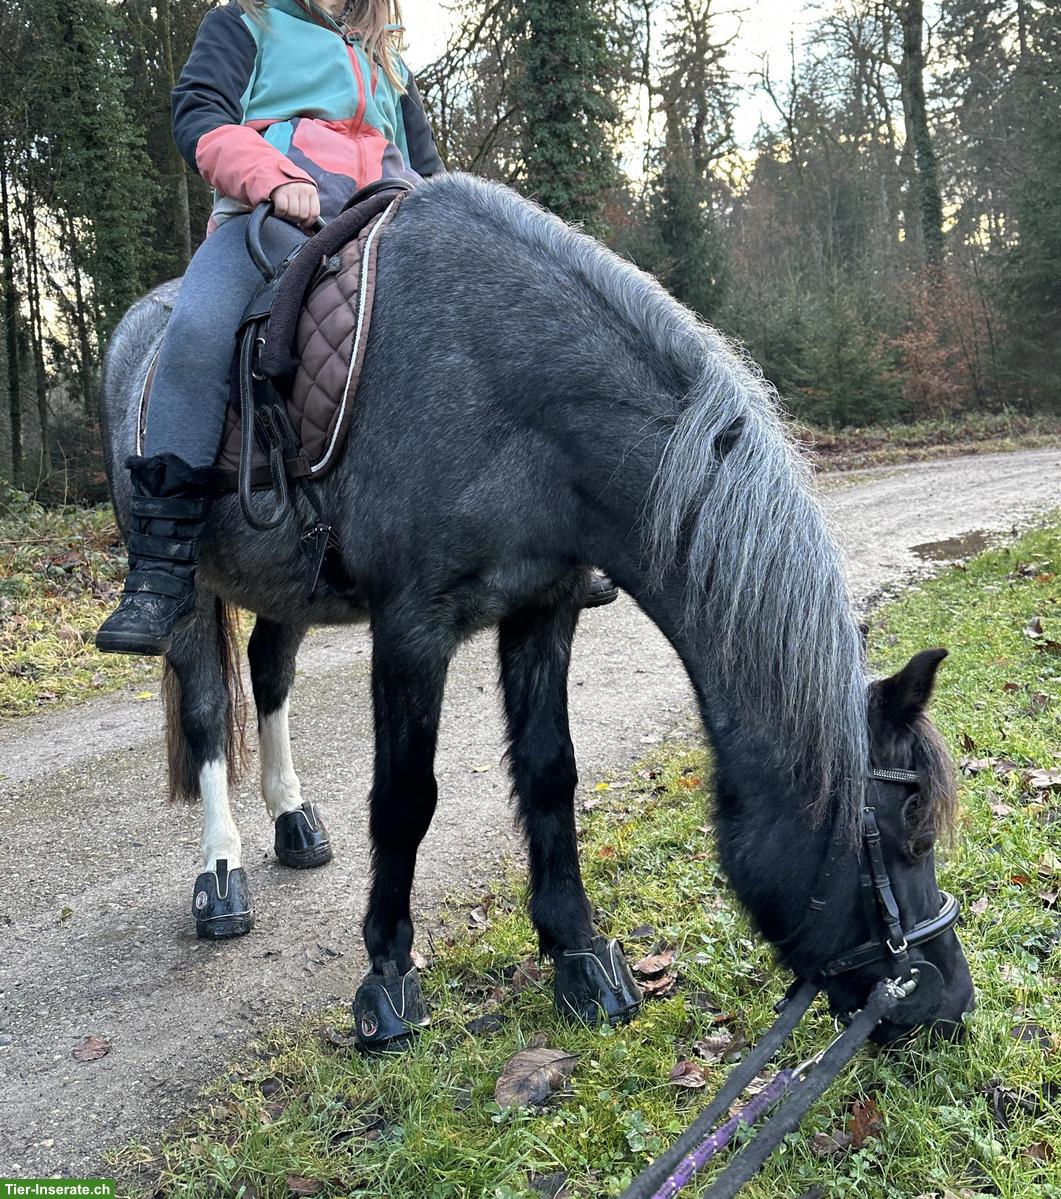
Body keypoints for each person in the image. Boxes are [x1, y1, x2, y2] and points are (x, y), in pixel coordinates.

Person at [96, 0, 612, 656]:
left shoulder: (386, 56)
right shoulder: (243, 24)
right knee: (197, 329)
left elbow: (431, 175)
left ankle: (543, 533)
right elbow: (199, 116)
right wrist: (273, 178)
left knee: (502, 324)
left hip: (389, 232)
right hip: (273, 220)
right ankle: (160, 570)